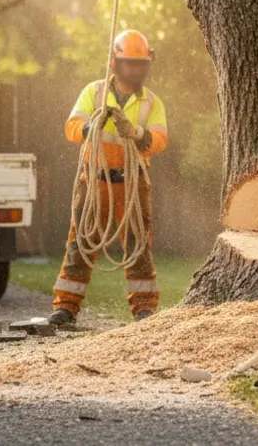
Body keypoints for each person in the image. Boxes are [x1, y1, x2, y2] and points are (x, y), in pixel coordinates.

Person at [49, 30, 168, 325]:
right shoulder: (94, 92)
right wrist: (91, 127)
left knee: (138, 245)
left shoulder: (151, 103)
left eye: (140, 64)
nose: (136, 70)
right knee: (82, 243)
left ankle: (144, 309)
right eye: (130, 63)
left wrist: (137, 133)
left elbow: (160, 139)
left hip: (132, 182)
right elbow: (72, 126)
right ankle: (65, 307)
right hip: (95, 181)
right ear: (115, 63)